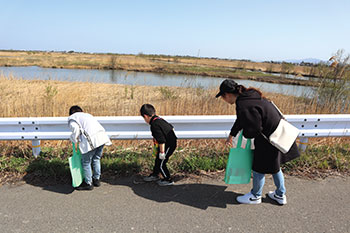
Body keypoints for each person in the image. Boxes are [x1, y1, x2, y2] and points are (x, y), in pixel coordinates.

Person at [216, 79, 300, 205]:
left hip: (268, 139)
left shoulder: (243, 105)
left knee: (258, 168)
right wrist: (232, 135)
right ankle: (280, 194)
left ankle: (255, 196)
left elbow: (253, 129)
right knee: (275, 167)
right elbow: (241, 120)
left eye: (222, 97)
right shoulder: (250, 95)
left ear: (227, 95)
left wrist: (245, 136)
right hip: (278, 135)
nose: (224, 100)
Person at [68, 105, 112, 190]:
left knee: (86, 162)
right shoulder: (87, 115)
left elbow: (76, 130)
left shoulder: (72, 118)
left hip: (91, 140)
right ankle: (96, 179)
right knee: (96, 158)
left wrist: (73, 139)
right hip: (102, 137)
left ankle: (88, 183)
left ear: (70, 113)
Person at [140, 104, 177, 186]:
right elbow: (171, 127)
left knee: (161, 163)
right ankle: (155, 175)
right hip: (169, 142)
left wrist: (162, 152)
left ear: (145, 116)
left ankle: (168, 179)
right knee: (158, 160)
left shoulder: (154, 125)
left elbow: (161, 140)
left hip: (169, 145)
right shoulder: (159, 119)